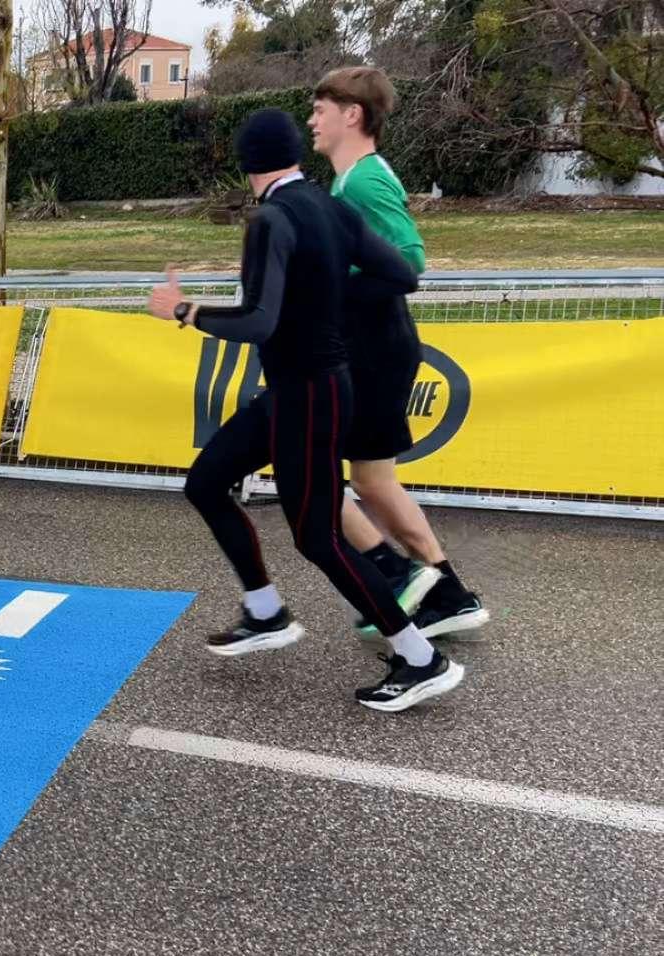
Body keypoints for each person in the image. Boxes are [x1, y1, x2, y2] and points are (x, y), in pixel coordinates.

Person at [147, 108, 465, 713]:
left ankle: (420, 657)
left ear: (247, 165)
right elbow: (401, 274)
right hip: (301, 389)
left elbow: (258, 322)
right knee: (207, 482)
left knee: (318, 538)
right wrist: (324, 295)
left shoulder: (271, 218)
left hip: (311, 392)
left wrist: (184, 312)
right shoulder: (329, 205)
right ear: (293, 154)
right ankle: (265, 612)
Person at [309, 66, 491, 639]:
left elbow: (409, 261)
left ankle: (404, 579)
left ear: (352, 114)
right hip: (372, 344)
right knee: (371, 480)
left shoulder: (363, 181)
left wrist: (332, 287)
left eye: (320, 109)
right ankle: (446, 593)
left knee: (311, 475)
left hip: (373, 349)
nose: (311, 120)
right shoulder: (351, 181)